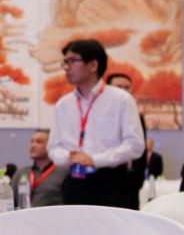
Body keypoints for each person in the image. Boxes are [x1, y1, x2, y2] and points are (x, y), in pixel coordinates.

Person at [47, 40, 145, 207]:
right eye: (65, 62)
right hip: (75, 181)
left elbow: (135, 145)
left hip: (112, 183)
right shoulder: (63, 104)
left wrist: (94, 159)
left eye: (72, 61)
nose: (66, 67)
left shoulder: (121, 99)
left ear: (93, 65)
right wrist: (70, 157)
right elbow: (53, 147)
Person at [107, 72, 149, 210]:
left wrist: (138, 178)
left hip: (131, 180)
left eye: (127, 87)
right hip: (106, 179)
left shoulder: (137, 117)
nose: (124, 91)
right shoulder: (102, 115)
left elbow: (141, 150)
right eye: (119, 87)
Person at [11, 130, 69, 208]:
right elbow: (11, 203)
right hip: (25, 214)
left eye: (39, 142)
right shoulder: (20, 173)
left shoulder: (64, 172)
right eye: (32, 142)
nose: (33, 145)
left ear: (51, 146)